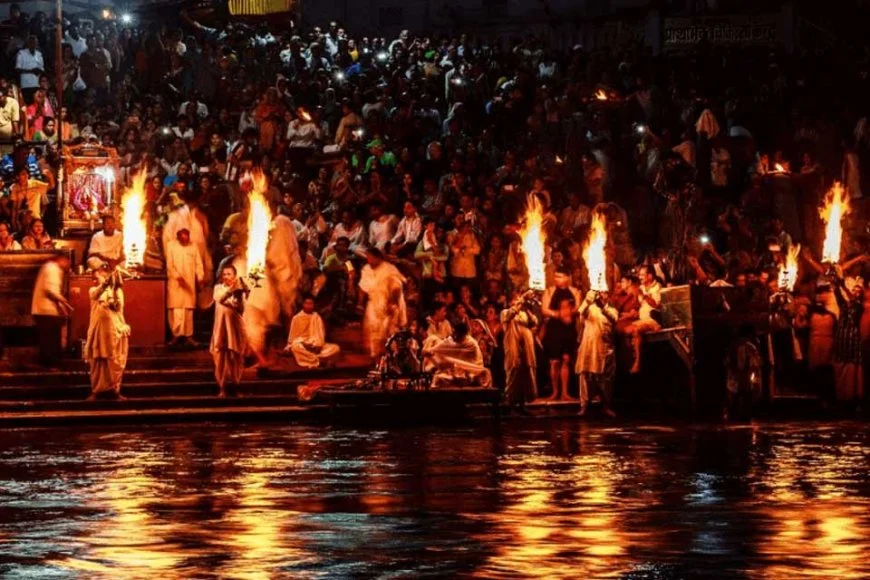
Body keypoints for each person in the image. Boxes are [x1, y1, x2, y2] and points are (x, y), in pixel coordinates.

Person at [84, 268, 130, 400]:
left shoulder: (117, 291)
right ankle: (97, 390)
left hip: (114, 329)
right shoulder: (93, 291)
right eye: (95, 278)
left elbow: (118, 308)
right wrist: (105, 284)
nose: (96, 279)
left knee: (114, 360)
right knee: (97, 361)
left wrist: (115, 288)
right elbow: (95, 294)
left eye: (99, 277)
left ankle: (114, 390)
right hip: (98, 331)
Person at [358, 248, 407, 358]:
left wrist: (391, 303)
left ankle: (392, 358)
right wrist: (360, 304)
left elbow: (396, 288)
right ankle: (375, 357)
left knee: (389, 331)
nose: (369, 260)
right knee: (372, 328)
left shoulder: (390, 269)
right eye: (367, 257)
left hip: (389, 301)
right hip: (373, 302)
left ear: (378, 258)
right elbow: (362, 287)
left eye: (371, 257)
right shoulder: (366, 269)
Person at [576, 291, 619, 417]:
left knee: (606, 379)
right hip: (589, 347)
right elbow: (581, 312)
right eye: (599, 293)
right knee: (585, 376)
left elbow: (614, 319)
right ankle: (584, 406)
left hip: (605, 348)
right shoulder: (590, 308)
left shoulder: (612, 310)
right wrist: (588, 300)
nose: (601, 295)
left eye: (605, 293)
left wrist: (603, 308)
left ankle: (605, 406)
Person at [210, 264, 247, 397]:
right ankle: (222, 388)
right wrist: (231, 291)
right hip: (221, 327)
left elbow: (241, 309)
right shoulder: (218, 288)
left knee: (235, 357)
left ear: (234, 276)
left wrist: (240, 294)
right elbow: (220, 299)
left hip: (235, 327)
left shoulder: (239, 292)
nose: (226, 276)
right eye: (224, 274)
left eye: (229, 274)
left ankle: (236, 385)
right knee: (221, 358)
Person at [31, 254, 73, 367]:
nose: (68, 266)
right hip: (46, 310)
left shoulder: (49, 267)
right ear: (62, 260)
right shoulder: (53, 269)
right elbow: (51, 290)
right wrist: (65, 303)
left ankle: (47, 362)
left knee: (47, 338)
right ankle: (50, 363)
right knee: (51, 338)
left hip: (42, 309)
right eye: (67, 262)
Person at [165, 228, 204, 347]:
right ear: (178, 237)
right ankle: (175, 336)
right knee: (176, 309)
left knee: (188, 310)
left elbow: (198, 264)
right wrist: (177, 277)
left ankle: (188, 336)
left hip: (189, 284)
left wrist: (200, 277)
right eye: (182, 237)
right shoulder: (171, 245)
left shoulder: (193, 246)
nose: (185, 239)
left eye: (187, 237)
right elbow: (169, 265)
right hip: (175, 284)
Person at [423, 321, 492, 388]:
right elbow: (439, 348)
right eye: (453, 332)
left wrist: (456, 367)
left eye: (455, 333)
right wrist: (430, 351)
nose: (453, 335)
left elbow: (471, 364)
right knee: (438, 378)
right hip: (454, 371)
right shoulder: (451, 339)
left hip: (469, 372)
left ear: (463, 335)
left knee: (445, 378)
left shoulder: (471, 344)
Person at [502, 290, 539, 410]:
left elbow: (534, 321)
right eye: (516, 299)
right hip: (513, 347)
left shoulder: (524, 314)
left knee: (525, 375)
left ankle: (523, 404)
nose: (518, 301)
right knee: (513, 373)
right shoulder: (505, 312)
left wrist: (527, 308)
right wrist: (522, 299)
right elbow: (510, 314)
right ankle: (509, 404)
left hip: (525, 348)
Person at [284, 295, 341, 368]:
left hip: (316, 346)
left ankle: (311, 358)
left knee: (336, 348)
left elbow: (321, 336)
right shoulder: (296, 318)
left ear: (313, 305)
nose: (309, 306)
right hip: (302, 345)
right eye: (307, 303)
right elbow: (292, 339)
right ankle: (320, 361)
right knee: (295, 347)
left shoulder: (317, 317)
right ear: (303, 304)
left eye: (311, 304)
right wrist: (302, 345)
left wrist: (317, 345)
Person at [543, 298, 579, 402]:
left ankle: (564, 393)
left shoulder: (572, 317)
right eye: (562, 307)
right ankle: (555, 392)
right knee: (554, 363)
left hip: (567, 339)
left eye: (566, 306)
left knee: (565, 362)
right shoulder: (553, 319)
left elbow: (572, 331)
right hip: (554, 338)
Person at [628, 266, 662, 373]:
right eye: (639, 274)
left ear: (650, 276)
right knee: (625, 329)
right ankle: (631, 358)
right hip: (642, 319)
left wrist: (643, 295)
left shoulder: (657, 287)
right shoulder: (641, 287)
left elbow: (656, 305)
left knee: (636, 330)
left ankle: (638, 362)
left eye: (642, 275)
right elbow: (638, 304)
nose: (640, 277)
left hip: (653, 320)